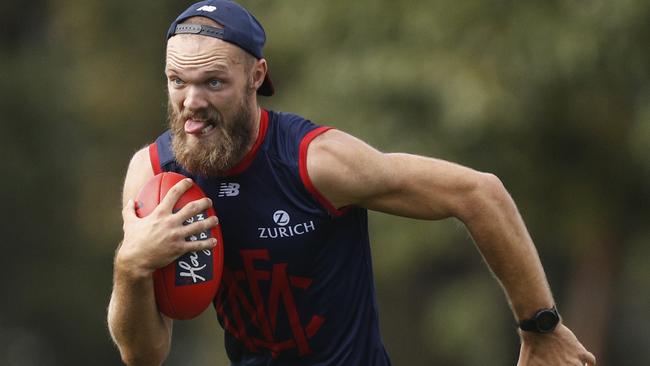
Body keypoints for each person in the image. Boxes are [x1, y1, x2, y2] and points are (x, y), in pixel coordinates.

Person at [107, 1, 596, 365]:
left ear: (256, 76)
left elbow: (479, 192)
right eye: (177, 81)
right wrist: (131, 266)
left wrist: (540, 328)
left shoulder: (315, 162)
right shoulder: (154, 177)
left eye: (213, 82)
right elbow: (144, 355)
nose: (191, 101)